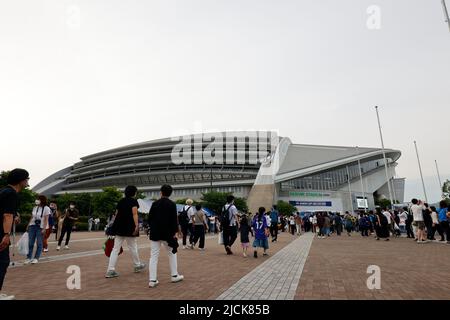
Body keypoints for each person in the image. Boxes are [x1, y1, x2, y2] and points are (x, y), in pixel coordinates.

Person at [0, 169, 29, 300]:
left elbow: (7, 213)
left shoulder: (4, 191)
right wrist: (6, 235)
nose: (27, 182)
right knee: (2, 262)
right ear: (21, 180)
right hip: (1, 233)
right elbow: (7, 215)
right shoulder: (12, 194)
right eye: (27, 179)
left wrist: (15, 216)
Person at [148, 184, 184, 288]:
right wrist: (176, 232)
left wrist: (153, 227)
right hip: (167, 234)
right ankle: (174, 275)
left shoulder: (154, 203)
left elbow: (150, 219)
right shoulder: (172, 204)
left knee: (153, 256)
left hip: (155, 233)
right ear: (170, 193)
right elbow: (174, 220)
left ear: (161, 192)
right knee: (172, 253)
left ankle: (152, 280)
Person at [105, 186, 145, 278]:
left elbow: (116, 214)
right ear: (134, 193)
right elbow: (134, 213)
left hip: (119, 228)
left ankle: (110, 270)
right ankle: (137, 265)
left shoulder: (121, 201)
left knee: (115, 249)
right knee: (133, 247)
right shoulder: (133, 201)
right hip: (129, 227)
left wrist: (113, 227)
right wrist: (136, 225)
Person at [24, 195, 51, 264]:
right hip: (32, 226)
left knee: (39, 243)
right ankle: (28, 258)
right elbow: (32, 217)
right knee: (30, 243)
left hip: (41, 227)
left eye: (38, 199)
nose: (36, 200)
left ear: (42, 200)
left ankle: (36, 258)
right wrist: (28, 225)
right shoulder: (35, 208)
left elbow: (46, 219)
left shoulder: (46, 208)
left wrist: (44, 228)